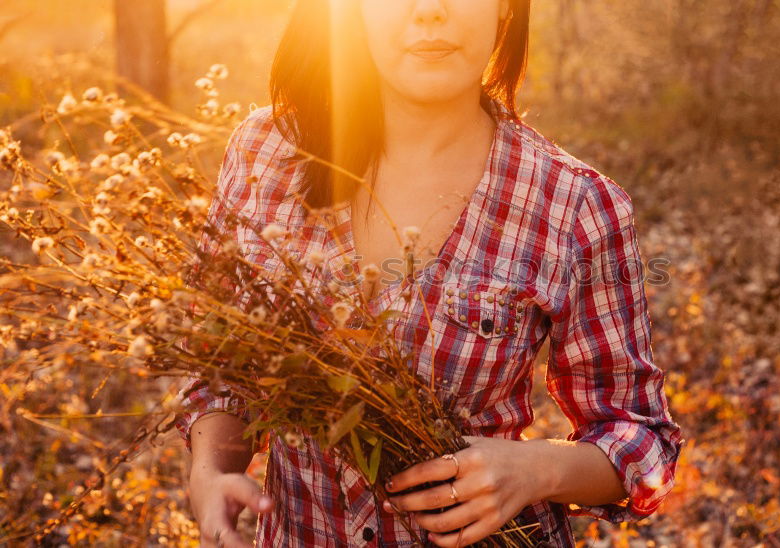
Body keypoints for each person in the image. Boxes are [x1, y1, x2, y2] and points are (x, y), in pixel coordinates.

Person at [174, 0, 684, 546]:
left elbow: (641, 440)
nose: (431, 11)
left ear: (506, 11)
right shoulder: (267, 153)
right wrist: (213, 472)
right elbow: (221, 363)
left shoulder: (572, 205)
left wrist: (536, 468)